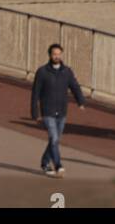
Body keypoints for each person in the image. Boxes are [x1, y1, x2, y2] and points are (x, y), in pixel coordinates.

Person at [31, 43, 86, 175]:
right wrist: (35, 112)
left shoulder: (67, 71)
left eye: (59, 54)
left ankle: (45, 163)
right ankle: (58, 165)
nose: (57, 56)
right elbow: (35, 93)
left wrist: (80, 101)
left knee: (55, 140)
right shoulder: (42, 72)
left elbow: (75, 86)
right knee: (54, 138)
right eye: (54, 54)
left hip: (62, 111)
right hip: (47, 111)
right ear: (50, 55)